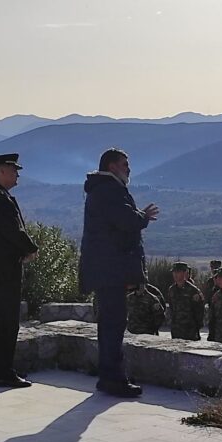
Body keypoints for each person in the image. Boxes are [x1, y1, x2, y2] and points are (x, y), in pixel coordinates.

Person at [79, 148, 159, 398]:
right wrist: (142, 217)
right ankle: (113, 378)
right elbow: (124, 220)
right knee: (113, 324)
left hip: (107, 270)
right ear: (112, 166)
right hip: (110, 270)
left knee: (109, 324)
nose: (129, 169)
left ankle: (108, 376)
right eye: (125, 164)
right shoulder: (108, 190)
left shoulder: (102, 189)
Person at [0, 153, 38, 388]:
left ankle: (3, 369)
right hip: (3, 268)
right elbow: (13, 230)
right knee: (6, 320)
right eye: (13, 170)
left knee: (5, 319)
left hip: (2, 266)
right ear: (1, 171)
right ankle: (3, 371)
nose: (17, 174)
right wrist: (31, 248)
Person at [168, 262, 205, 340]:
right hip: (176, 330)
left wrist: (196, 327)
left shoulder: (193, 290)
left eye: (178, 272)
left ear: (185, 273)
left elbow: (199, 311)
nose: (175, 274)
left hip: (190, 331)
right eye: (174, 272)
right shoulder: (172, 290)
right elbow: (171, 308)